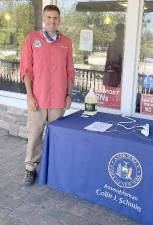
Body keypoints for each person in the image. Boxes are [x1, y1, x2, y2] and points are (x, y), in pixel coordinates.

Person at [20, 5, 75, 185]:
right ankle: (30, 168)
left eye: (55, 18)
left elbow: (70, 72)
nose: (52, 21)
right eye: (49, 17)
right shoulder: (32, 39)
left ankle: (52, 168)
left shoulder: (66, 42)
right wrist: (29, 95)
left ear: (59, 20)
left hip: (58, 100)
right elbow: (26, 70)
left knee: (55, 137)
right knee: (35, 135)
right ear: (44, 19)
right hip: (38, 98)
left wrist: (69, 94)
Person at [103, 23, 124, 87]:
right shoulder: (115, 44)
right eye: (122, 31)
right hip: (114, 78)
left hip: (114, 78)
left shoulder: (115, 44)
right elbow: (109, 61)